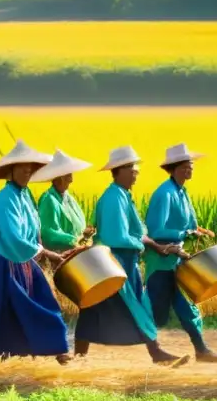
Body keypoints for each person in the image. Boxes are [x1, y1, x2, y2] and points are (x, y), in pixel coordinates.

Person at [75, 146, 188, 365]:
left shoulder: (123, 196)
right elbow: (116, 236)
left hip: (122, 262)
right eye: (132, 168)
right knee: (123, 307)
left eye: (135, 168)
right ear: (119, 170)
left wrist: (156, 246)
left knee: (98, 309)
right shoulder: (113, 198)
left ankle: (80, 358)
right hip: (113, 263)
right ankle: (156, 354)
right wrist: (142, 245)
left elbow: (139, 232)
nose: (136, 172)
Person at [0, 140, 71, 365]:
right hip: (4, 262)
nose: (27, 171)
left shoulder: (25, 196)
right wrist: (44, 252)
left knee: (43, 302)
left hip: (24, 261)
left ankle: (57, 347)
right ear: (10, 171)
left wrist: (42, 249)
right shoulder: (5, 198)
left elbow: (34, 230)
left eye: (30, 167)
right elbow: (13, 237)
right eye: (22, 167)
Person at [145, 144, 217, 363]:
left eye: (190, 165)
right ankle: (156, 353)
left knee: (186, 306)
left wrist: (199, 231)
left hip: (177, 260)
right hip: (160, 261)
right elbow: (156, 230)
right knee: (152, 310)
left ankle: (201, 349)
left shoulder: (182, 192)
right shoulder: (164, 194)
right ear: (173, 168)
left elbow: (191, 223)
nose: (190, 169)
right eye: (185, 166)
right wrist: (185, 232)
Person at [32, 149, 96, 348]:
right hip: (56, 260)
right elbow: (49, 232)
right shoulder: (49, 200)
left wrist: (85, 234)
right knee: (63, 305)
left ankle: (74, 345)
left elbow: (78, 226)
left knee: (79, 304)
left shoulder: (70, 199)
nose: (71, 179)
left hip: (74, 258)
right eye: (68, 174)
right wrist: (74, 238)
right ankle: (61, 345)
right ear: (58, 177)